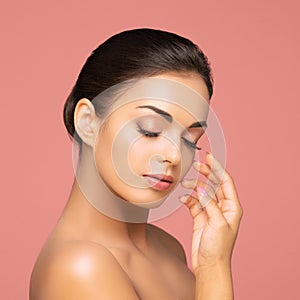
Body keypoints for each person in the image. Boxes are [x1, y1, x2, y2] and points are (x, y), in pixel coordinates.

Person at [30, 28, 243, 300]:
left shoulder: (168, 248)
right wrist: (215, 270)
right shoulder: (80, 268)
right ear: (88, 122)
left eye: (191, 140)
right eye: (150, 129)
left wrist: (213, 261)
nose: (175, 156)